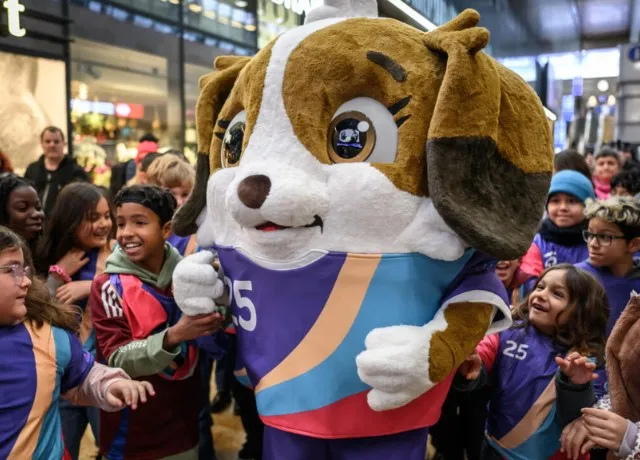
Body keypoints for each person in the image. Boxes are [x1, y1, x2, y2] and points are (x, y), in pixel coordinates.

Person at [89, 185, 224, 460]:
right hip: (132, 432)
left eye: (139, 223)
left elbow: (218, 341)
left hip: (183, 425)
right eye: (121, 223)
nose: (126, 233)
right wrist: (174, 336)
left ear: (166, 230)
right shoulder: (108, 286)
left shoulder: (190, 276)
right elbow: (115, 358)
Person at [0, 225, 154, 459]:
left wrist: (109, 384)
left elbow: (83, 375)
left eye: (24, 270)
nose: (26, 282)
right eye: (11, 270)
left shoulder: (47, 335)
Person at [459, 265, 609, 459]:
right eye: (540, 287)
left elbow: (580, 418)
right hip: (493, 448)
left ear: (582, 310)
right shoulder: (509, 328)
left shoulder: (586, 359)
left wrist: (577, 386)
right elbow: (483, 354)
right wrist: (473, 364)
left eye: (557, 294)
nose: (541, 295)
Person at [34, 182, 115, 459]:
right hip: (61, 371)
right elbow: (34, 307)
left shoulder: (115, 253)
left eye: (106, 216)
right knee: (61, 446)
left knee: (111, 444)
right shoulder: (49, 254)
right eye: (93, 218)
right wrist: (58, 275)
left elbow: (132, 291)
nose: (104, 224)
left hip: (101, 368)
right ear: (70, 220)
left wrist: (91, 286)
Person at [576, 196, 640, 397]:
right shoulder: (577, 277)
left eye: (605, 237)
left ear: (633, 244)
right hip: (584, 376)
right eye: (590, 235)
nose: (593, 244)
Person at [520, 170, 594, 284]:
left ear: (588, 206)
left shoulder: (594, 241)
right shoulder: (537, 243)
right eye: (555, 201)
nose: (563, 207)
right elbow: (530, 282)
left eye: (572, 201)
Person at [24, 126, 90, 216]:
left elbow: (85, 201)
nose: (52, 145)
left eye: (56, 141)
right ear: (41, 143)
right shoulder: (32, 170)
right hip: (36, 222)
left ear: (63, 143)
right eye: (47, 141)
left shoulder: (77, 172)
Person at [146, 154, 197, 256]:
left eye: (185, 194)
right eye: (171, 193)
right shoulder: (145, 227)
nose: (179, 202)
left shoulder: (195, 230)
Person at [0, 174, 44, 256]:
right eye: (22, 207)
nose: (36, 214)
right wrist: (61, 268)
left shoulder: (47, 251)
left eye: (38, 207)